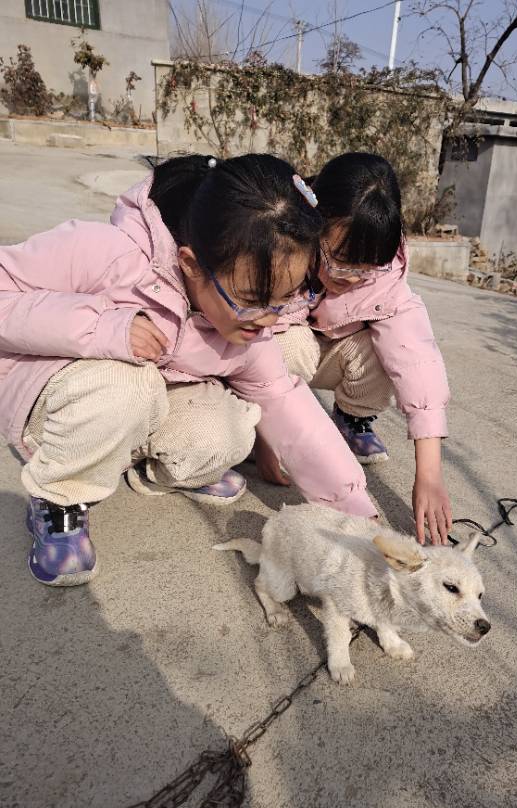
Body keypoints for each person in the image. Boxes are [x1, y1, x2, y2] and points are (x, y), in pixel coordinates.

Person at [0, 153, 376, 587]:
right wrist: (103, 327)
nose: (269, 319)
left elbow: (287, 404)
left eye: (284, 298)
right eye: (252, 298)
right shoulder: (106, 252)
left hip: (137, 413)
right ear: (191, 264)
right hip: (58, 405)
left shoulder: (250, 324)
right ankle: (59, 494)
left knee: (231, 431)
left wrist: (356, 516)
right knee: (128, 384)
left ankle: (136, 465)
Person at [260, 152, 451, 546]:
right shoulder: (278, 237)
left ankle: (350, 418)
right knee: (290, 346)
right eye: (341, 261)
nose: (350, 278)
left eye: (365, 269)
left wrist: (430, 475)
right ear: (315, 219)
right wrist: (266, 442)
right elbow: (251, 341)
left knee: (388, 349)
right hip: (275, 349)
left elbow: (416, 358)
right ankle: (257, 427)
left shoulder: (384, 275)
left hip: (326, 351)